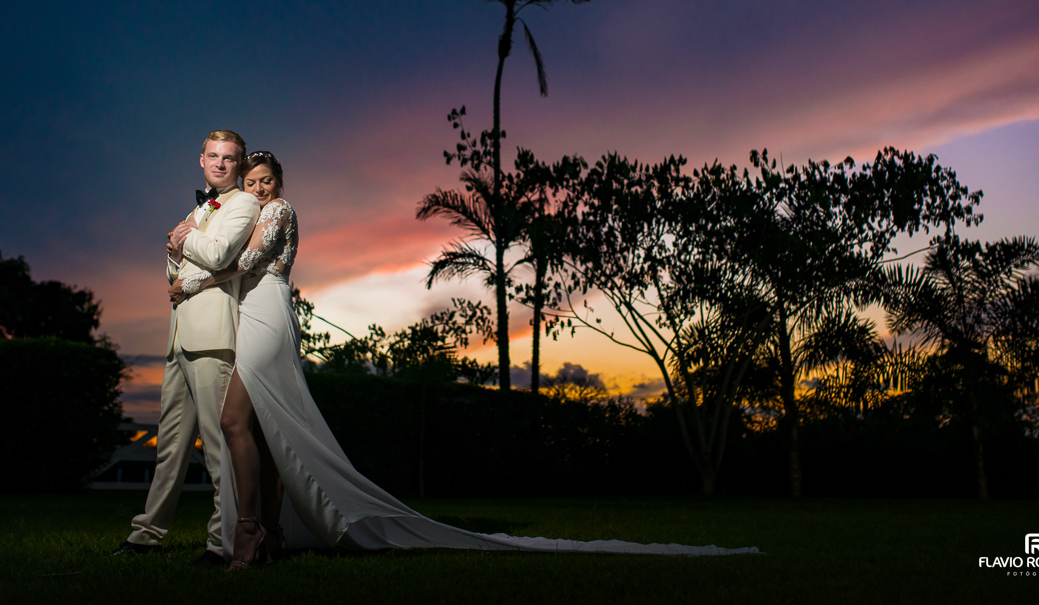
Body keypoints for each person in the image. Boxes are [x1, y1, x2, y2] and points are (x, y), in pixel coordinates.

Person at [176, 152, 759, 567]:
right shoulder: (252, 209)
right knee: (265, 426)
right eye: (249, 180)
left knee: (235, 421)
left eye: (263, 179)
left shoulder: (278, 212)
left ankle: (251, 537)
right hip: (252, 309)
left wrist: (192, 276)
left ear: (277, 181)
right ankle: (271, 533)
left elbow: (246, 265)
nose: (255, 187)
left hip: (268, 311)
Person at [111, 130, 260, 567]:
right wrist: (177, 253)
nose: (220, 163)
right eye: (213, 156)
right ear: (201, 160)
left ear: (239, 164)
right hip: (179, 337)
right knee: (170, 445)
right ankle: (146, 535)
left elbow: (217, 256)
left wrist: (184, 240)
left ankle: (221, 543)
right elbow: (174, 269)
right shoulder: (199, 209)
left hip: (213, 337)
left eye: (229, 158)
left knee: (218, 446)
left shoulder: (244, 204)